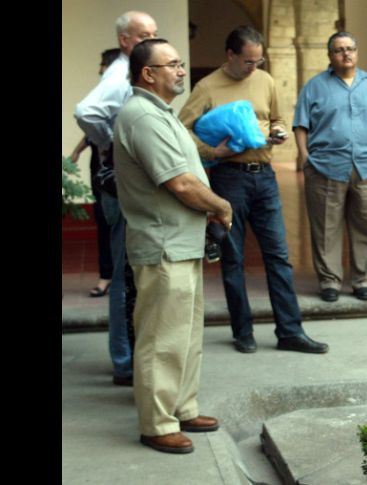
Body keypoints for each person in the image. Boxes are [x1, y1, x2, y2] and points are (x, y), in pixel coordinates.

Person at [113, 38, 233, 454]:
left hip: (182, 242)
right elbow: (179, 182)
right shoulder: (142, 116)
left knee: (184, 335)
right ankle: (157, 423)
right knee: (161, 338)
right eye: (174, 65)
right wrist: (221, 205)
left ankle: (182, 407)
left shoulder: (160, 114)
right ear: (148, 73)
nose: (182, 71)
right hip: (163, 244)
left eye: (181, 64)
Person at [179, 26, 328, 355]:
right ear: (230, 55)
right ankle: (242, 332)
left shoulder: (266, 80)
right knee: (233, 258)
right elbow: (182, 130)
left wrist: (278, 131)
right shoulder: (207, 87)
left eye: (259, 60)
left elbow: (277, 118)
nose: (254, 67)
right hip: (228, 179)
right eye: (248, 61)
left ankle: (290, 331)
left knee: (278, 257)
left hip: (265, 176)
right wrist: (211, 152)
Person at [74, 11, 158, 386]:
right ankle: (125, 363)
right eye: (145, 35)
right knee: (125, 277)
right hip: (121, 186)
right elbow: (86, 111)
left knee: (131, 274)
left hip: (126, 183)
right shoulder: (120, 72)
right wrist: (108, 142)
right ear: (125, 40)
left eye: (155, 34)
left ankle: (129, 359)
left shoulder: (132, 69)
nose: (152, 40)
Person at [293, 32, 367, 303]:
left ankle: (363, 281)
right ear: (330, 56)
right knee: (326, 228)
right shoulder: (314, 87)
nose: (346, 54)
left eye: (350, 48)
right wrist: (305, 158)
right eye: (339, 50)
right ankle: (329, 281)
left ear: (357, 52)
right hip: (325, 168)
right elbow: (301, 126)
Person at [70, 48, 121, 298]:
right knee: (102, 219)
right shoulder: (102, 96)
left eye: (103, 65)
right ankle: (106, 275)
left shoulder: (120, 95)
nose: (100, 69)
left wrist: (108, 145)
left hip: (118, 169)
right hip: (99, 170)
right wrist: (77, 151)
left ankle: (121, 276)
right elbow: (91, 129)